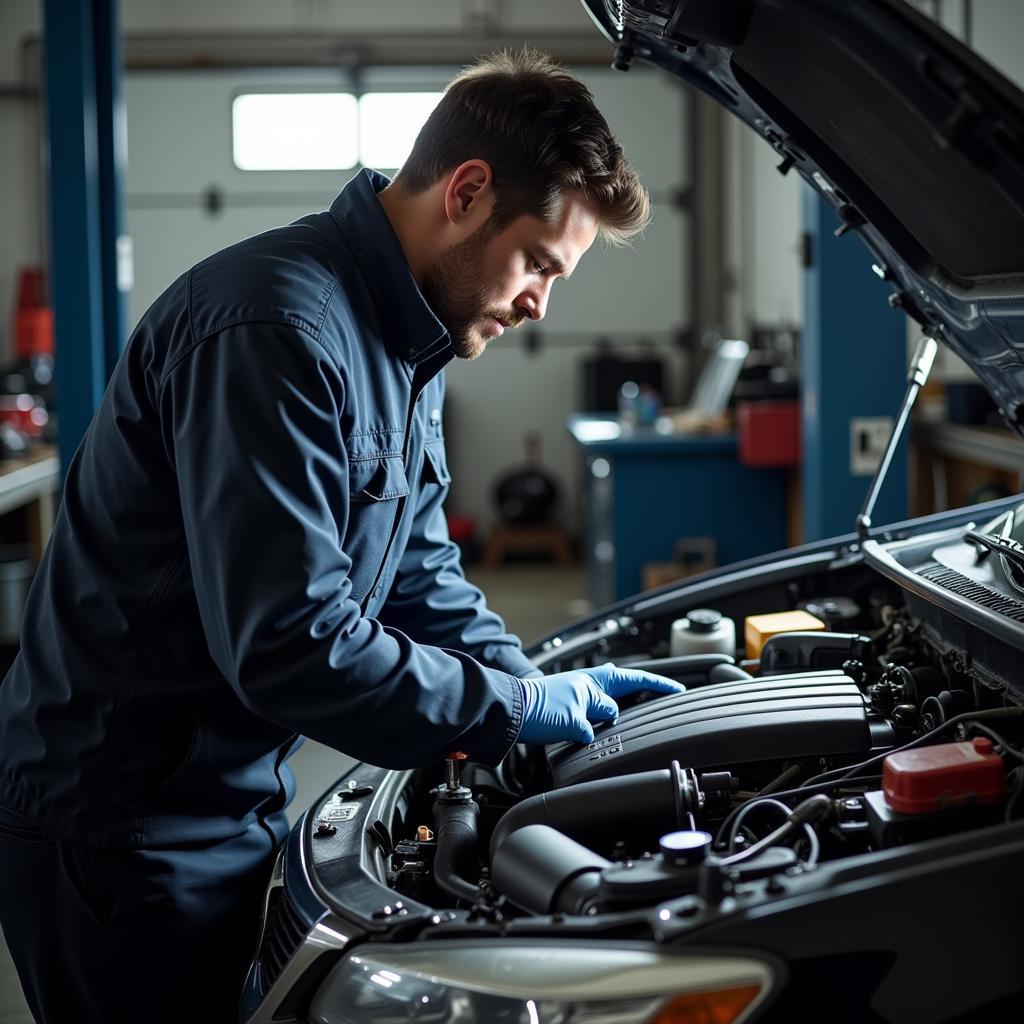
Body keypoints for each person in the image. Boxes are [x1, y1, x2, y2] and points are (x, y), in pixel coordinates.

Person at [0, 49, 682, 1022]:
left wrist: (531, 696)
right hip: (117, 824)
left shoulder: (410, 342)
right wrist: (510, 703)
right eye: (538, 261)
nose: (539, 302)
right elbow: (289, 644)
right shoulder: (275, 330)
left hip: (222, 797)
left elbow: (417, 574)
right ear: (468, 191)